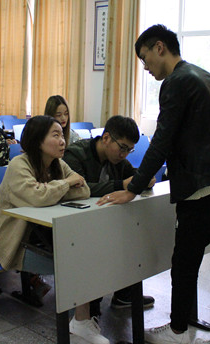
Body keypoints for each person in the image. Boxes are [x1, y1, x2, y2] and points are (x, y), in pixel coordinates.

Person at [97, 25, 210, 344]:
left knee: (184, 264)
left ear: (160, 47)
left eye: (145, 58)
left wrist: (133, 187)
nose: (145, 67)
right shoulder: (206, 77)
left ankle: (178, 330)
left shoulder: (176, 82)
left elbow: (162, 140)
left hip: (205, 189)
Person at [0, 115, 110, 344]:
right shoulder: (19, 165)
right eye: (55, 135)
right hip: (14, 243)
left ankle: (81, 321)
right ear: (38, 141)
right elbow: (36, 196)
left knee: (89, 252)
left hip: (43, 237)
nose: (63, 141)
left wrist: (52, 190)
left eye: (62, 135)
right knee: (78, 262)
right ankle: (80, 323)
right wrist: (64, 185)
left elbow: (83, 190)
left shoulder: (57, 164)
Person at [63, 115, 156, 314]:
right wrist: (121, 184)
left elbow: (133, 176)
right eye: (122, 147)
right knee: (98, 246)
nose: (124, 154)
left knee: (134, 235)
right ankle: (90, 308)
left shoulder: (118, 159)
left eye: (129, 150)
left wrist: (144, 180)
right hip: (75, 225)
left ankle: (124, 294)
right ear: (106, 138)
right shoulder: (75, 154)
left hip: (102, 221)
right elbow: (79, 190)